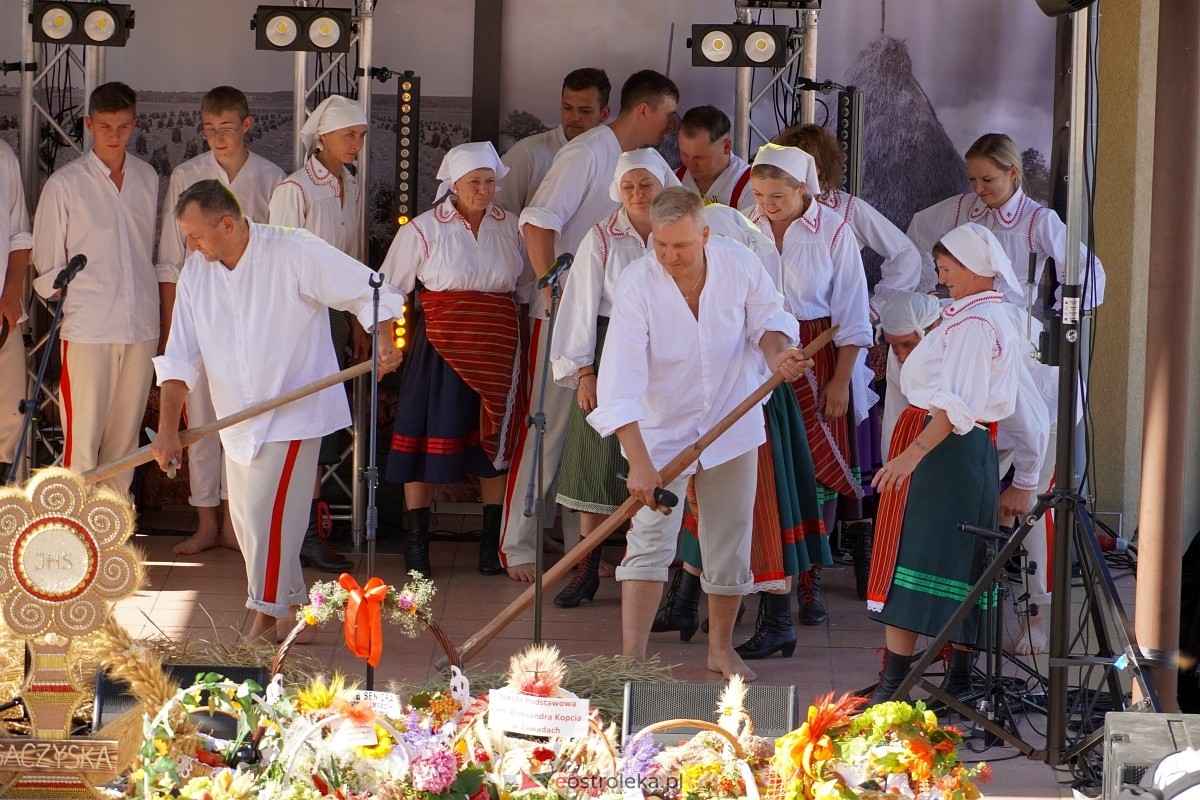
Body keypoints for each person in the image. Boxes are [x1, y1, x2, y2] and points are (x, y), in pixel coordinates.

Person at [151, 180, 403, 644]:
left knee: (264, 516)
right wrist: (168, 429)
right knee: (250, 528)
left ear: (228, 223)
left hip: (294, 411)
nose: (192, 245)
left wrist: (385, 334)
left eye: (196, 235)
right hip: (237, 419)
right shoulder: (195, 273)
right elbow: (179, 359)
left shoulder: (293, 251)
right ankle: (292, 610)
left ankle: (263, 625)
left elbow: (368, 288)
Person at [588, 187, 809, 681]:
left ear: (705, 234)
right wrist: (640, 463)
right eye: (661, 246)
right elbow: (618, 383)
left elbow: (769, 323)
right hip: (661, 429)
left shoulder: (740, 265)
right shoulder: (638, 285)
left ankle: (721, 650)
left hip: (731, 420)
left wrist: (777, 358)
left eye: (681, 246)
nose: (670, 256)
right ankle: (632, 662)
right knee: (648, 540)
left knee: (729, 540)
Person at [498, 69, 680, 582]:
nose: (670, 126)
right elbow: (538, 219)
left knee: (600, 434)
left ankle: (583, 550)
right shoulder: (587, 152)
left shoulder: (651, 166)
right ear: (643, 110)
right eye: (667, 114)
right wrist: (551, 288)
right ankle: (519, 544)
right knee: (546, 429)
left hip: (628, 326)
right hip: (566, 317)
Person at [866, 223, 1024, 704]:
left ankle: (904, 686)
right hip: (953, 449)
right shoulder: (974, 316)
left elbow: (954, 405)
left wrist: (911, 456)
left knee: (922, 555)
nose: (942, 277)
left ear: (976, 267)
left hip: (944, 451)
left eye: (948, 268)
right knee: (951, 560)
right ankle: (950, 683)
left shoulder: (977, 325)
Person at [773, 123, 922, 600]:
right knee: (777, 458)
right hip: (770, 347)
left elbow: (901, 255)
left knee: (834, 455)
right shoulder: (753, 215)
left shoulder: (843, 215)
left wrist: (875, 308)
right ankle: (778, 582)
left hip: (828, 346)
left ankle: (831, 573)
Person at [878, 290, 1053, 658]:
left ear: (932, 328)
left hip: (1037, 423)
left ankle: (1034, 618)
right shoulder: (910, 351)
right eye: (893, 346)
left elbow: (1030, 418)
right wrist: (895, 470)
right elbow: (899, 414)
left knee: (1022, 513)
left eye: (907, 344)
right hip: (957, 436)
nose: (901, 354)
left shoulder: (978, 335)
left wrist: (1024, 481)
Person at [381, 142, 528, 578]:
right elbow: (388, 290)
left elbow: (528, 290)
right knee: (424, 438)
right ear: (453, 184)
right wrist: (388, 341)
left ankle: (490, 545)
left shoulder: (514, 227)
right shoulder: (423, 229)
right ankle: (416, 546)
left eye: (488, 182)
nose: (482, 190)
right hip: (440, 349)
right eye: (473, 183)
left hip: (499, 349)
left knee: (492, 444)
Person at [747, 143, 875, 624]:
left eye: (778, 195)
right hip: (760, 356)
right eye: (759, 194)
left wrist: (841, 380)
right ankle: (772, 577)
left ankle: (810, 581)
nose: (767, 204)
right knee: (771, 467)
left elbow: (851, 312)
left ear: (803, 188)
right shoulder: (747, 228)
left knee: (817, 469)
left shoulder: (834, 232)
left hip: (817, 355)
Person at [548, 148, 679, 607]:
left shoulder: (677, 229)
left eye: (646, 184)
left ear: (664, 184)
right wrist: (586, 372)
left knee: (665, 454)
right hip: (612, 348)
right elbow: (580, 305)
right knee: (596, 461)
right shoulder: (602, 236)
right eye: (629, 186)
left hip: (669, 349)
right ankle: (587, 569)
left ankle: (664, 575)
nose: (638, 193)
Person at [158, 86, 286, 556]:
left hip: (254, 317)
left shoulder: (272, 178)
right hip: (201, 309)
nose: (217, 137)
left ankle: (238, 524)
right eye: (209, 129)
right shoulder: (187, 174)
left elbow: (280, 252)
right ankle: (207, 521)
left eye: (226, 128)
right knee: (203, 421)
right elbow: (172, 259)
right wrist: (174, 327)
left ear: (247, 125)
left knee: (244, 420)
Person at [31, 82, 160, 497]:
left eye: (123, 126)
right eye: (105, 126)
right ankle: (76, 538)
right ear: (89, 124)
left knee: (125, 442)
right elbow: (46, 267)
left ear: (134, 124)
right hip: (88, 328)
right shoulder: (65, 185)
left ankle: (114, 531)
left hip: (141, 325)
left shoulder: (147, 177)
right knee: (82, 442)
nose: (115, 134)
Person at [269, 94, 370, 574]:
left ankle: (312, 529)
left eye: (361, 136)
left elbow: (349, 263)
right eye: (350, 134)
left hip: (333, 314)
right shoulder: (296, 189)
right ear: (323, 136)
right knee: (304, 420)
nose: (357, 144)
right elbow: (282, 265)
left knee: (327, 423)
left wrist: (356, 321)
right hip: (303, 318)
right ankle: (303, 533)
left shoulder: (350, 185)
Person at [906, 132, 1106, 310]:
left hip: (1010, 328)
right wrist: (926, 289)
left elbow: (1087, 268)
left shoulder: (1039, 220)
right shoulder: (960, 207)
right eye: (972, 179)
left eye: (987, 179)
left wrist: (1062, 312)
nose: (978, 188)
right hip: (960, 321)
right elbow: (917, 232)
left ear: (1012, 173)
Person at [497, 68, 611, 214]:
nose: (574, 117)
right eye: (567, 108)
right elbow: (499, 217)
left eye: (585, 111)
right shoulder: (528, 153)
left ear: (604, 114)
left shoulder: (613, 159)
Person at [0, 141, 32, 477]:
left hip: (2, 320)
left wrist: (11, 295)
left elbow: (19, 236)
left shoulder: (3, 155)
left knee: (8, 423)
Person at [675, 106, 756, 215]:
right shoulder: (673, 179)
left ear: (726, 147)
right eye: (684, 154)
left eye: (699, 157)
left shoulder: (752, 188)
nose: (690, 165)